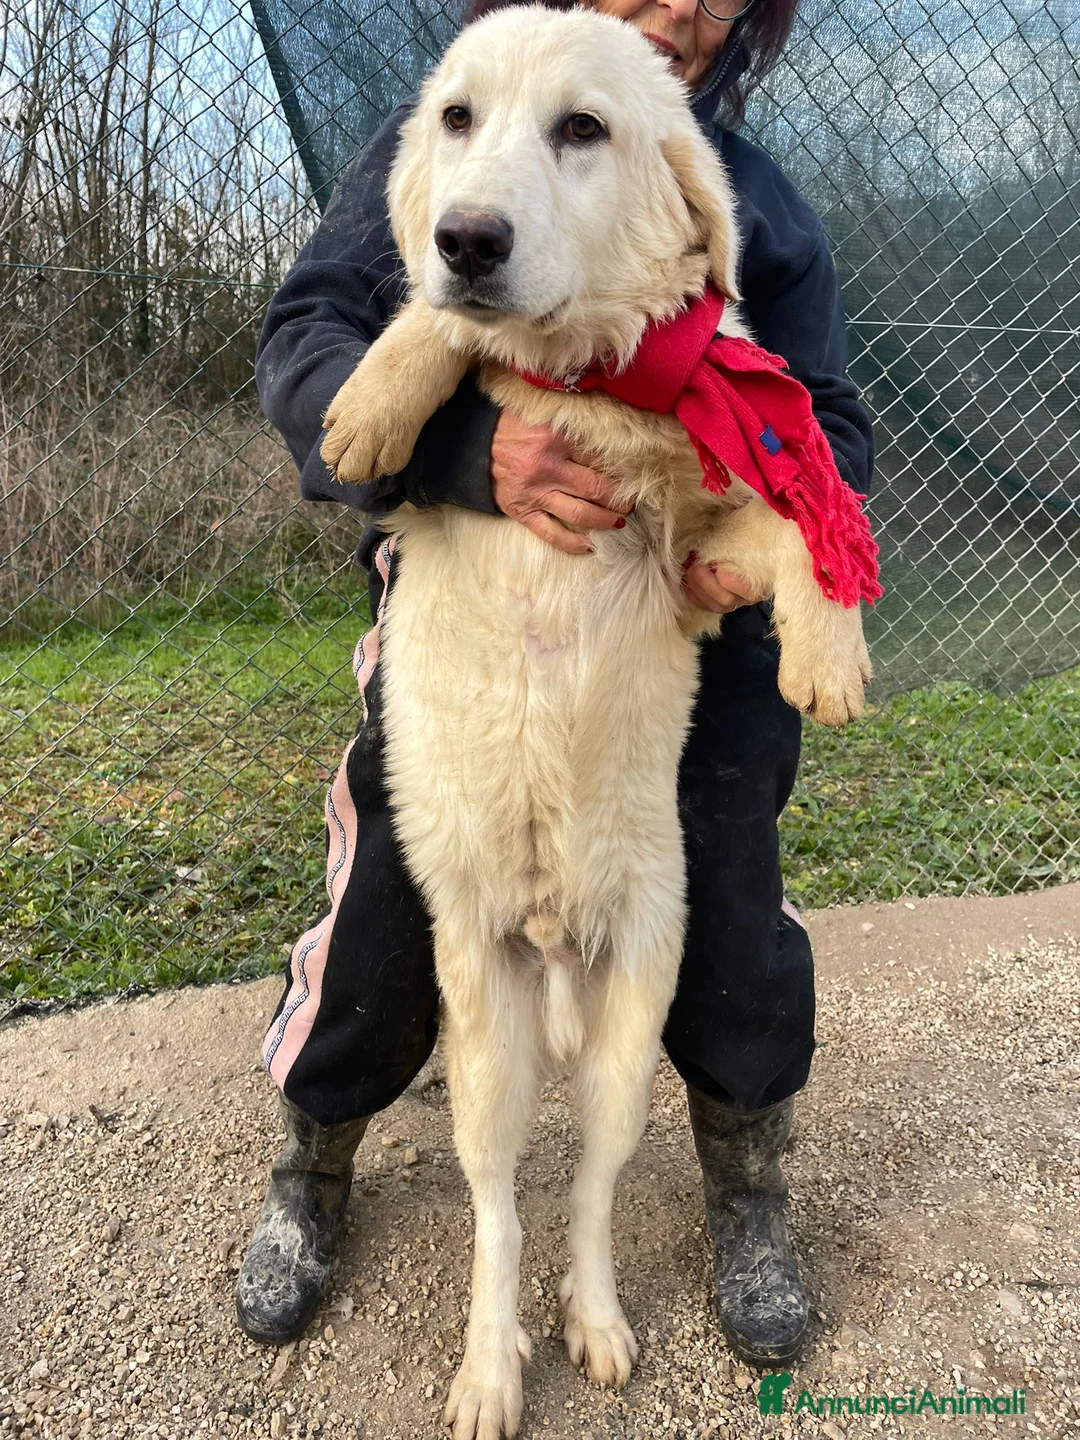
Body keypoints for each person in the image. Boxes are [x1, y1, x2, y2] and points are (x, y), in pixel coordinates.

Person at [236, 0, 874, 1371]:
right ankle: (316, 1150)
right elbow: (308, 339)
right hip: (465, 608)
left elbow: (823, 424)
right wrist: (472, 455)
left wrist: (759, 560)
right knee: (390, 900)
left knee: (731, 889)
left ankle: (746, 1178)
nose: (684, 8)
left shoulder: (753, 202)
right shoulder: (446, 135)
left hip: (675, 610)